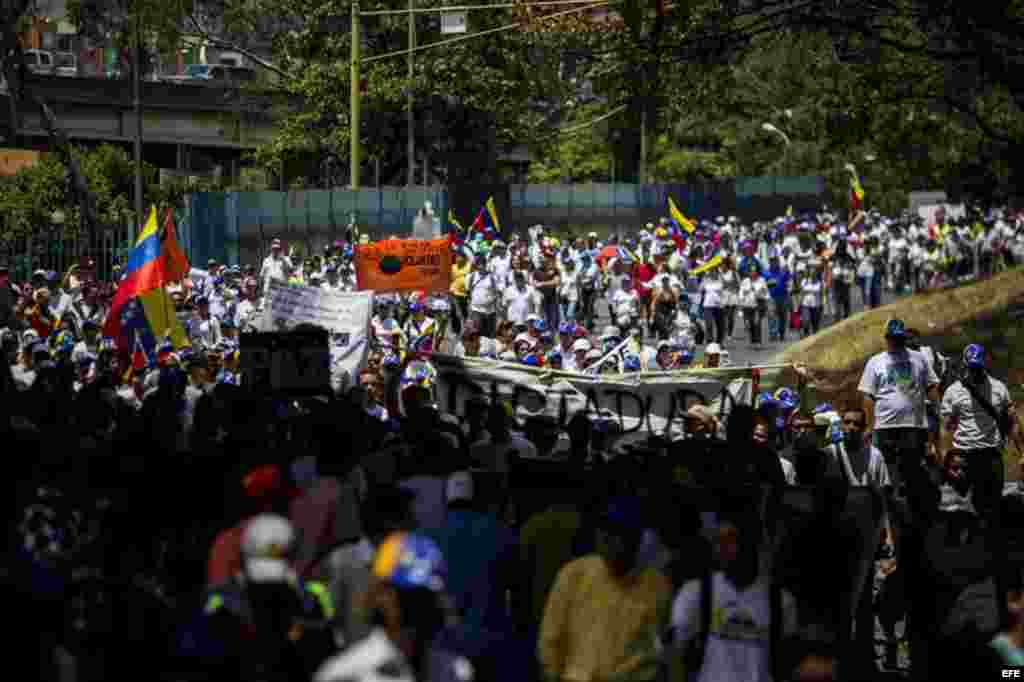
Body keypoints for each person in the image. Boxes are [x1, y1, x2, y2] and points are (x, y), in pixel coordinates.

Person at [539, 497, 671, 682]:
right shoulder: (574, 574)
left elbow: (660, 651)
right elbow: (550, 642)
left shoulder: (657, 586)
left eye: (616, 532)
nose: (606, 538)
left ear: (635, 538)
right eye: (603, 530)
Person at [313, 532, 474, 682]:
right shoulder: (346, 676)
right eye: (409, 597)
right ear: (379, 595)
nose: (419, 608)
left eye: (427, 597)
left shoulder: (456, 672)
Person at [669, 501, 798, 682]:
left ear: (752, 541)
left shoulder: (781, 602)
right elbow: (675, 659)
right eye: (718, 540)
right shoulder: (695, 594)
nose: (722, 547)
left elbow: (786, 666)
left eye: (730, 539)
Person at [857, 318, 940, 493]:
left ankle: (911, 506)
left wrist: (938, 409)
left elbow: (931, 385)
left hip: (913, 425)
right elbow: (867, 396)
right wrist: (871, 426)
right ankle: (890, 504)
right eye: (893, 338)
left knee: (912, 468)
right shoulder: (875, 361)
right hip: (884, 426)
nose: (897, 341)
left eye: (900, 338)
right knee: (886, 469)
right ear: (886, 338)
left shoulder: (919, 359)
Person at [940, 343, 1015, 522]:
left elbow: (1011, 421)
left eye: (978, 367)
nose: (975, 371)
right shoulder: (953, 392)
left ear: (984, 364)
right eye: (972, 368)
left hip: (991, 454)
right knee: (963, 508)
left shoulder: (999, 389)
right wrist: (946, 458)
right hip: (964, 455)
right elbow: (946, 428)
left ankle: (991, 539)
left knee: (993, 503)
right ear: (965, 366)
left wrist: (1020, 450)